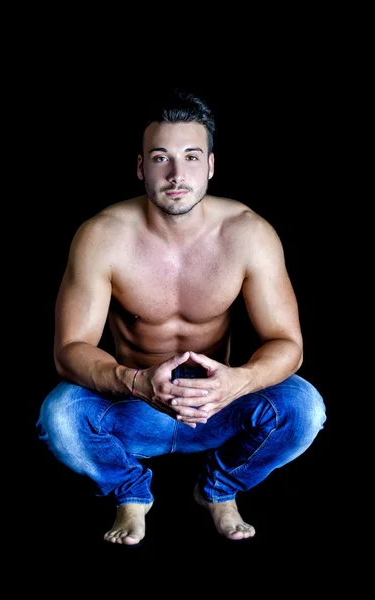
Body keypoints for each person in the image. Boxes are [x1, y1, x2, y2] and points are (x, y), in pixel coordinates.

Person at [36, 88, 326, 546]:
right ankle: (129, 491)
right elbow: (69, 351)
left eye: (191, 156)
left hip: (220, 408)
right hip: (136, 408)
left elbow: (289, 344)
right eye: (160, 158)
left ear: (210, 165)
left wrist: (238, 382)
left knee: (305, 407)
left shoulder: (248, 233)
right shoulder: (102, 236)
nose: (176, 173)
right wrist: (135, 382)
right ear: (140, 167)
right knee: (60, 415)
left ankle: (219, 489)